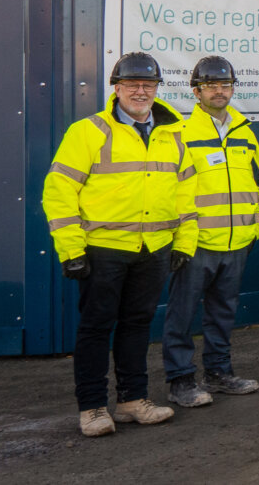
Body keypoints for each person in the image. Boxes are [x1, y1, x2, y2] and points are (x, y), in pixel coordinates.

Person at [44, 52, 193, 436]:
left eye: (148, 85)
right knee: (96, 327)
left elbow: (187, 192)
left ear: (158, 89)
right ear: (116, 88)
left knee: (138, 325)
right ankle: (92, 407)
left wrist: (184, 242)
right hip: (103, 249)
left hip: (154, 248)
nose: (140, 92)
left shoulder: (174, 133)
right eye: (132, 85)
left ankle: (131, 400)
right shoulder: (88, 131)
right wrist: (71, 249)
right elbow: (59, 192)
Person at [161, 56, 259, 409]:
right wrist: (180, 237)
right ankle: (180, 380)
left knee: (223, 313)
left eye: (225, 85)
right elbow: (171, 188)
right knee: (182, 314)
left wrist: (257, 227)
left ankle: (219, 373)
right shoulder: (181, 132)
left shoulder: (244, 130)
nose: (220, 91)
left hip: (237, 242)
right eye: (211, 86)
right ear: (197, 91)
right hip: (197, 243)